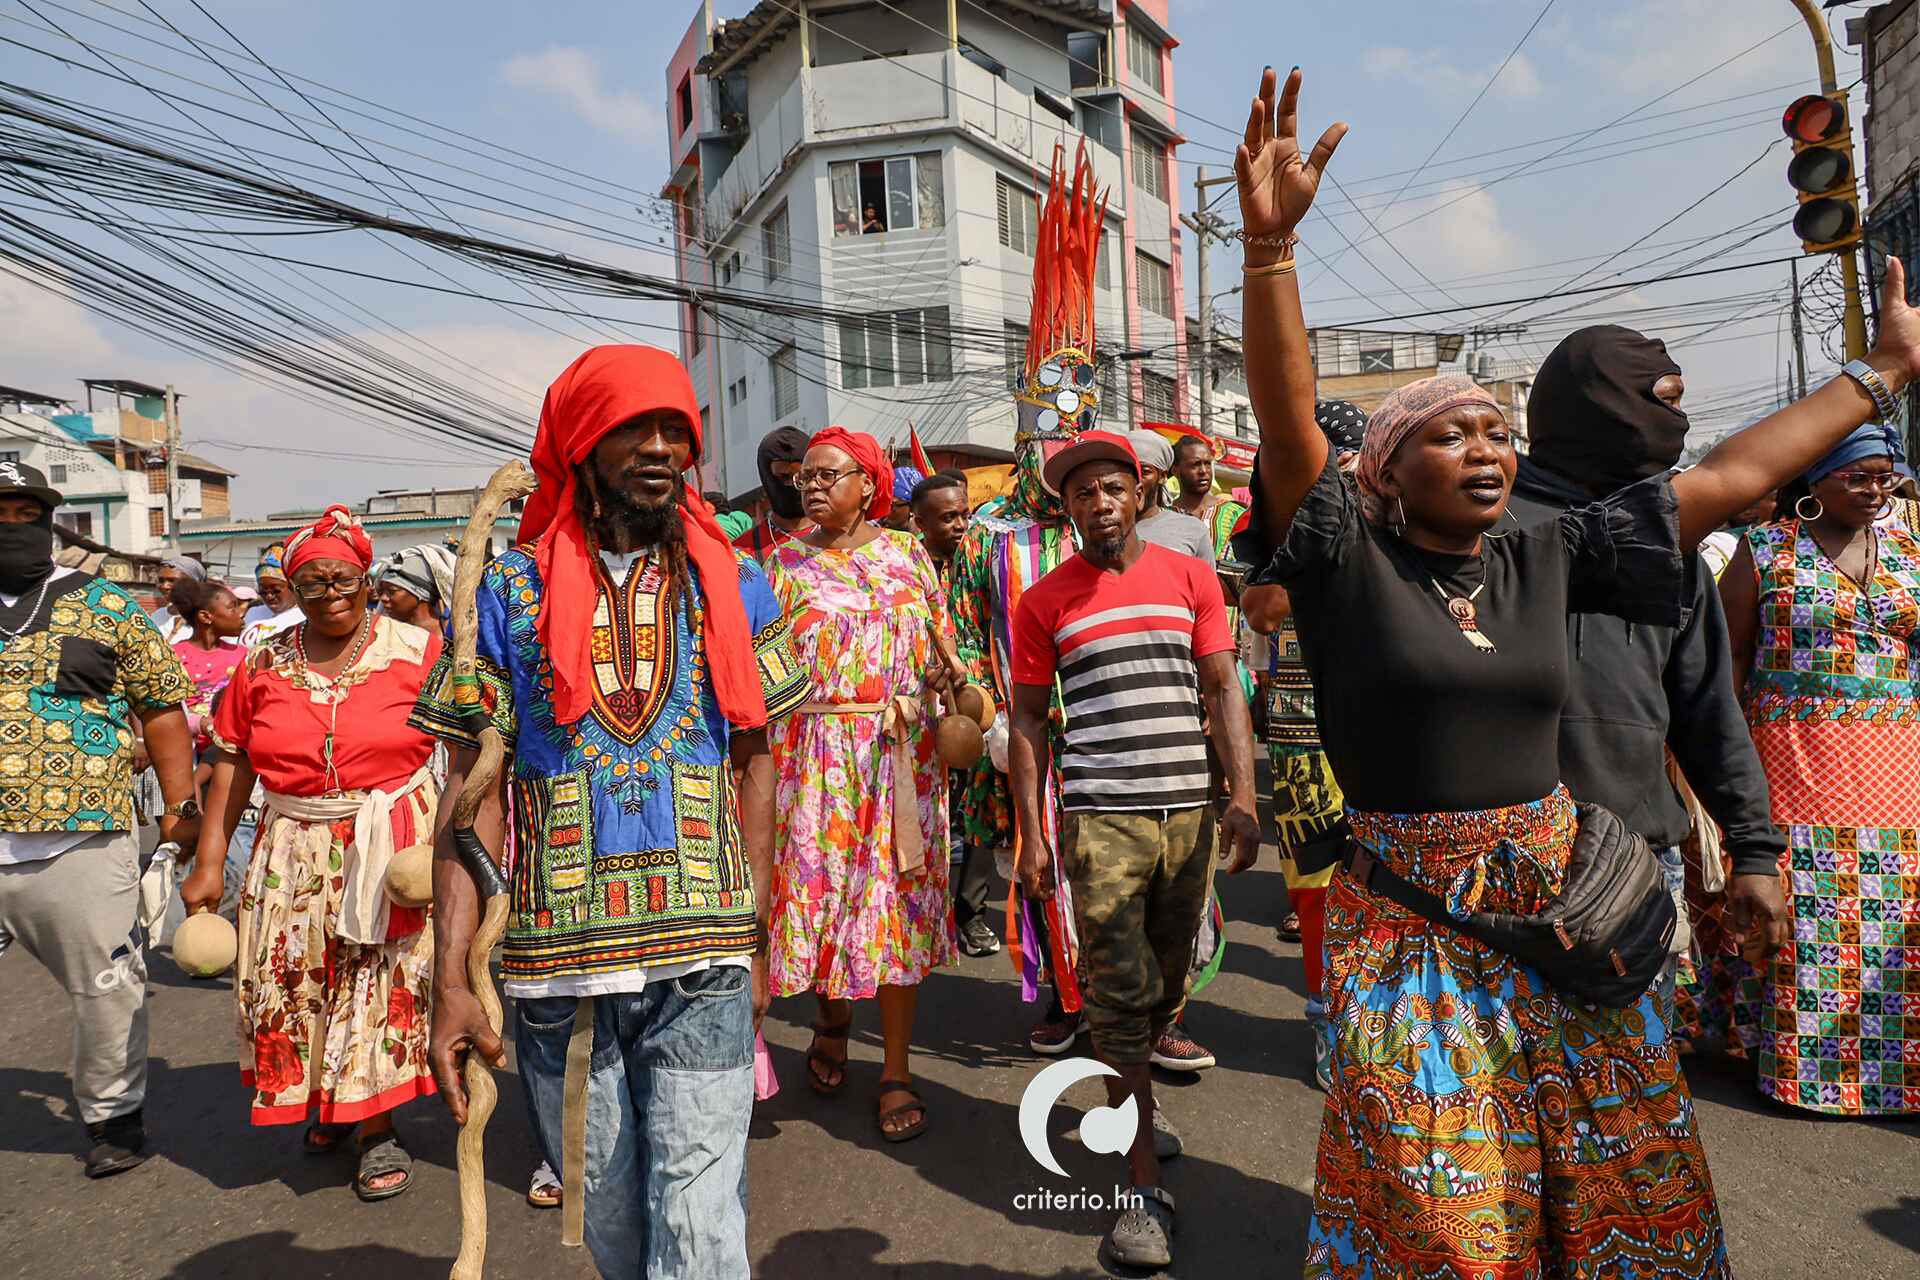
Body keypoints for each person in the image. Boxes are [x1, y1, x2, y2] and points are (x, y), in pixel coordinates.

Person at [1230, 65, 1917, 1276]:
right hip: (1415, 935)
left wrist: (1883, 374)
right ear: (1387, 471)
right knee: (1446, 1218)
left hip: (1575, 912)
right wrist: (1271, 252)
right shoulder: (1346, 559)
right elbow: (1290, 426)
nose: (1485, 447)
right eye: (1449, 432)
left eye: (1498, 430)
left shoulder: (1548, 553)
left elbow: (1729, 475)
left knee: (1622, 1196)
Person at [417, 345, 806, 1280]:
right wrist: (451, 981)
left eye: (677, 430)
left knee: (699, 1227)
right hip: (558, 975)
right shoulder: (506, 595)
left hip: (704, 958)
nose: (663, 447)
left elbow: (756, 763)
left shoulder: (734, 583)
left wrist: (754, 931)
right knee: (610, 1223)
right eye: (635, 428)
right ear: (582, 445)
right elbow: (470, 799)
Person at [1008, 430, 1259, 1270]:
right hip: (1101, 821)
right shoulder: (1043, 601)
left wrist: (1242, 796)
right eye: (1082, 493)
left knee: (1169, 982)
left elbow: (1221, 686)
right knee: (1118, 993)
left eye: (1112, 487)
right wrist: (1031, 834)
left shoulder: (1191, 577)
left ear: (1140, 491)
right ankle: (1141, 1185)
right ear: (1067, 509)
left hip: (1187, 815)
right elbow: (1027, 721)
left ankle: (1137, 1107)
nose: (1100, 503)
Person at [1508, 324, 1787, 1023]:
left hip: (1634, 863)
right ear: (1597, 404)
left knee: (1630, 1074)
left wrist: (1754, 851)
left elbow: (1706, 710)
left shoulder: (1672, 550)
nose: (1678, 422)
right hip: (1498, 861)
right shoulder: (1492, 527)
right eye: (1663, 400)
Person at [181, 506, 443, 1202]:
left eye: (344, 580)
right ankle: (327, 1098)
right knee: (298, 979)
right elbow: (233, 761)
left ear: (368, 580)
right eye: (312, 583)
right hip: (292, 847)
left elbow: (471, 747)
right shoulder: (264, 659)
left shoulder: (418, 651)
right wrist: (209, 861)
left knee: (377, 980)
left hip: (391, 845)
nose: (330, 595)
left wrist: (459, 845)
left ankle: (375, 1125)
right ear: (294, 590)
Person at [1712, 423, 1920, 1115]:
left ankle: (1898, 1076)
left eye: (1884, 475)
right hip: (1795, 755)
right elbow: (1730, 652)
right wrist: (1727, 744)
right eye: (1857, 475)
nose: (1874, 488)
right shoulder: (1766, 548)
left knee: (1897, 911)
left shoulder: (1912, 544)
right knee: (1807, 907)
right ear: (1816, 476)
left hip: (1899, 759)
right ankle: (1805, 1074)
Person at [0, 461, 199, 1179]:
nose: (12, 526)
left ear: (49, 520)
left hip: (83, 838)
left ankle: (113, 1116)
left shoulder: (106, 604)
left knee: (107, 990)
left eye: (26, 513)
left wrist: (180, 809)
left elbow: (162, 709)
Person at [949, 142, 1104, 1057]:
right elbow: (963, 628)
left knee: (1133, 869)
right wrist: (987, 707)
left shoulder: (1114, 522)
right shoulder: (988, 532)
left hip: (1115, 732)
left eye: (1072, 432)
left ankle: (1150, 1013)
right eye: (1046, 430)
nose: (1059, 452)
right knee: (1039, 863)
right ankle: (1063, 998)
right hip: (1027, 734)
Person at [766, 427, 959, 1141]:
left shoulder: (909, 554)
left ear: (868, 483)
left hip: (903, 759)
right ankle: (832, 1018)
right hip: (814, 761)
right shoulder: (781, 565)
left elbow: (944, 646)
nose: (812, 486)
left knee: (895, 909)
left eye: (828, 475)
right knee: (821, 899)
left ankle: (896, 1070)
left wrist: (946, 678)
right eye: (805, 477)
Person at [1237, 399, 1365, 1091]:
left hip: (1385, 728)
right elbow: (1260, 611)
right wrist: (1319, 534)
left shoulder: (1403, 513)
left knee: (1395, 887)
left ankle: (1385, 1026)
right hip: (1303, 734)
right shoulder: (1274, 525)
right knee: (1316, 889)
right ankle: (1328, 1023)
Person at [912, 470, 999, 958]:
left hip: (978, 704)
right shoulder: (902, 567)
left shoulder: (986, 559)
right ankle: (925, 913)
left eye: (964, 514)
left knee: (980, 807)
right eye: (948, 518)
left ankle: (972, 913)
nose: (961, 525)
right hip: (921, 713)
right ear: (919, 521)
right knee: (931, 815)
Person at [168, 576, 246, 753]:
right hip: (184, 751)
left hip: (229, 752)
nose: (241, 613)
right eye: (232, 607)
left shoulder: (243, 655)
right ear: (205, 616)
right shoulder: (173, 657)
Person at [733, 425, 817, 563]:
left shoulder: (840, 538)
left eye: (801, 476)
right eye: (784, 477)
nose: (793, 484)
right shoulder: (742, 553)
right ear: (767, 477)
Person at [1126, 430, 1214, 560]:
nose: (1135, 481)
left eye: (1144, 472)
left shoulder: (1193, 530)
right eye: (1127, 472)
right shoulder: (1104, 529)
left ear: (1162, 476)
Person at [376, 543, 455, 633]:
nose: (383, 598)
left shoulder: (452, 633)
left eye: (392, 591)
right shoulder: (382, 633)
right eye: (382, 591)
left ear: (421, 593)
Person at [148, 552, 205, 644]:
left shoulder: (205, 618)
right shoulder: (158, 615)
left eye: (172, 580)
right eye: (161, 580)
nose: (164, 586)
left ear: (194, 583)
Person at [883, 464, 924, 532]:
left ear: (912, 508)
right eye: (882, 504)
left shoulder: (931, 536)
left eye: (891, 506)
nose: (884, 513)